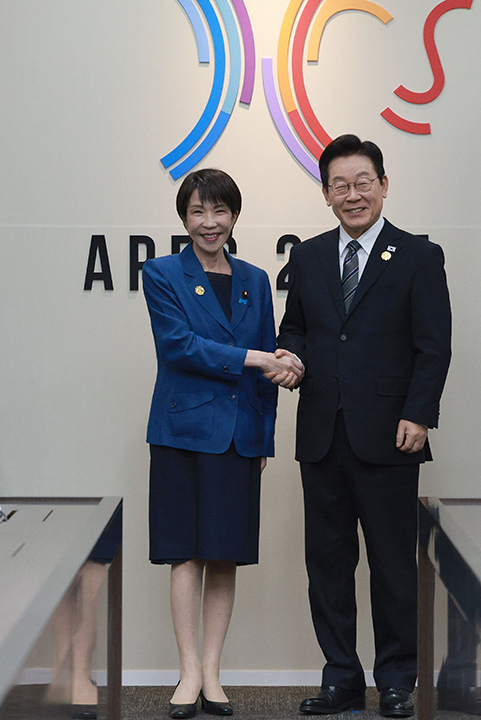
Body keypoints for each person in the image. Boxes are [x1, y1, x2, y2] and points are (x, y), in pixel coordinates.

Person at [273, 135, 452, 718]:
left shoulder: (419, 256)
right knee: (326, 565)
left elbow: (434, 347)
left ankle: (398, 679)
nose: (353, 195)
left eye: (363, 182)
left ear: (382, 184)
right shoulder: (309, 257)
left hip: (392, 435)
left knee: (394, 565)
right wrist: (290, 357)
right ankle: (340, 678)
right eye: (340, 185)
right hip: (322, 434)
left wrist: (420, 414)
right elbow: (294, 327)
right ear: (325, 193)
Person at [142, 168, 301, 719]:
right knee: (184, 555)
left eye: (220, 212)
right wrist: (260, 359)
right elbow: (180, 348)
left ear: (234, 216)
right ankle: (187, 672)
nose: (209, 223)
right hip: (182, 433)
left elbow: (271, 368)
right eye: (197, 212)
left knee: (225, 556)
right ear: (184, 218)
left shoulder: (257, 279)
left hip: (239, 437)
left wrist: (263, 435)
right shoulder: (161, 273)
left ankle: (212, 671)